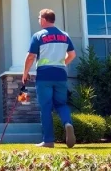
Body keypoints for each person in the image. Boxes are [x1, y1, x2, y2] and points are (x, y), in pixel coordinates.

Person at [22, 8, 76, 148]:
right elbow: (72, 55)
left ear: (44, 19)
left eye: (39, 18)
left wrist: (25, 72)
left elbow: (31, 57)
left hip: (45, 75)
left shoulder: (39, 36)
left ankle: (48, 141)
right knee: (61, 104)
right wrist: (62, 63)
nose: (39, 20)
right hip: (60, 75)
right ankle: (67, 123)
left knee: (46, 107)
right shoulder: (65, 36)